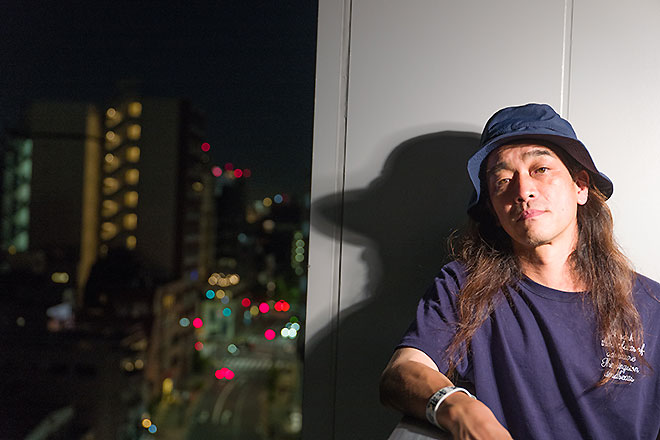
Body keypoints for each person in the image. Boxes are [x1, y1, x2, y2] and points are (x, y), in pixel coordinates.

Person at [379, 103, 660, 439]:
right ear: (493, 209)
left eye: (540, 169)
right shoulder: (465, 288)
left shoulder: (651, 305)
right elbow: (402, 371)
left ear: (580, 186)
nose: (523, 190)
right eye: (502, 179)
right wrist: (459, 408)